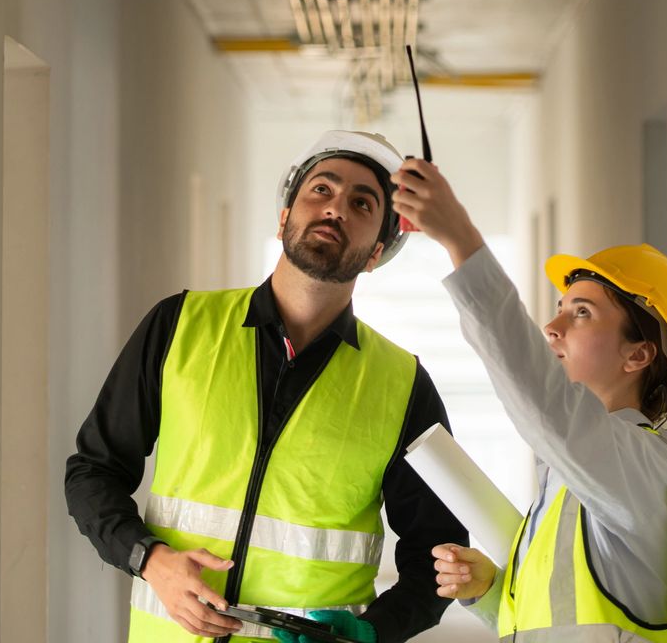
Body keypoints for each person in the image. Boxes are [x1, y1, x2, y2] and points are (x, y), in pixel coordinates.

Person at [65, 131, 468, 643]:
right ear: (284, 220)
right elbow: (92, 471)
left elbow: (440, 552)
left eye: (362, 203)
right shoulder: (180, 325)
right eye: (321, 190)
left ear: (375, 253)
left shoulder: (404, 385)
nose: (336, 208)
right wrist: (150, 560)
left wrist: (372, 634)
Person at [390, 158, 667, 643]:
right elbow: (555, 626)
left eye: (582, 313)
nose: (553, 328)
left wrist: (461, 240)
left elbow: (541, 399)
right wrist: (490, 590)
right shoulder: (570, 482)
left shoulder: (642, 465)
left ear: (638, 354)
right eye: (560, 310)